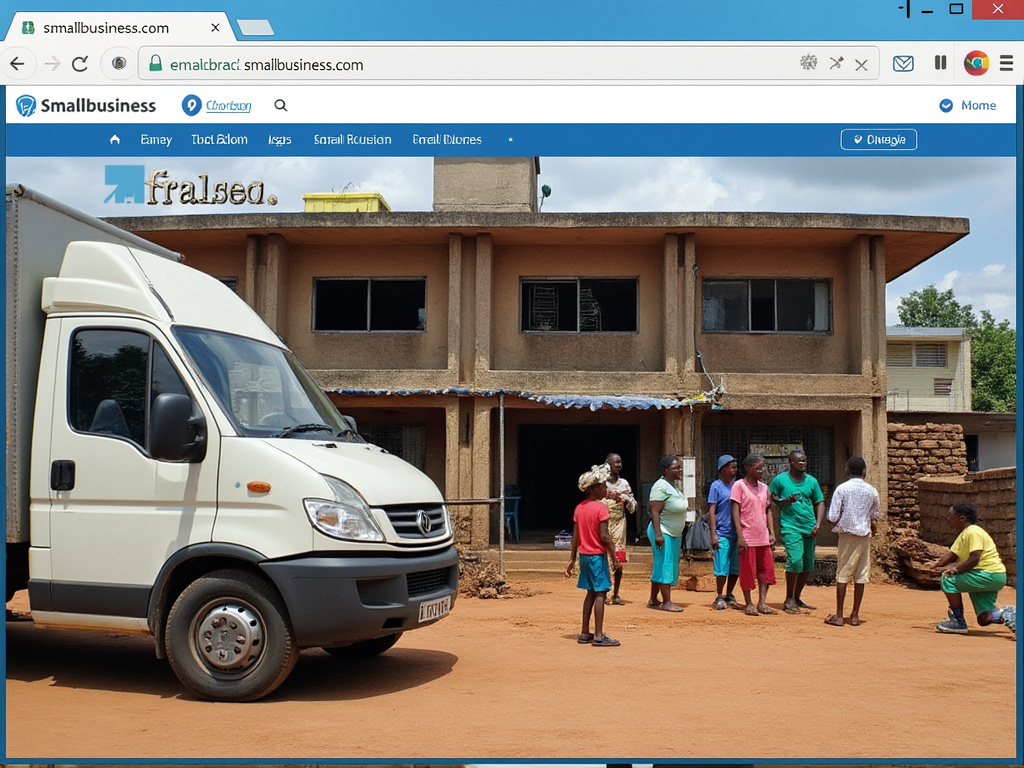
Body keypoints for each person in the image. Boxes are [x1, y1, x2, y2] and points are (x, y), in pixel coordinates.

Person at [931, 501, 1016, 638]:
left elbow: (975, 557)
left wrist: (956, 570)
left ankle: (957, 621)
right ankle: (1007, 615)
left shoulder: (973, 532)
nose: (947, 519)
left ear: (961, 518)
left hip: (988, 574)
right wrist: (934, 565)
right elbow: (952, 555)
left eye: (950, 515)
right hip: (988, 577)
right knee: (984, 619)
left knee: (948, 579)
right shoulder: (964, 535)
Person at [564, 462, 622, 646]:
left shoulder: (579, 508)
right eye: (603, 485)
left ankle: (584, 632)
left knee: (590, 592)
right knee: (600, 593)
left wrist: (572, 559)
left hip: (584, 556)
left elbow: (576, 536)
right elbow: (604, 536)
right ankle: (598, 635)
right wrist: (614, 556)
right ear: (594, 489)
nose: (606, 488)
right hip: (597, 556)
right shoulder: (601, 508)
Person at [822, 456, 880, 627]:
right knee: (861, 575)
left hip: (847, 536)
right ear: (864, 472)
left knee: (843, 574)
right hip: (864, 536)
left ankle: (839, 615)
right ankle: (855, 615)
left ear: (847, 470)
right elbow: (876, 514)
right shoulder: (871, 490)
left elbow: (832, 517)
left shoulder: (842, 489)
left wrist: (831, 515)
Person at [768, 449, 825, 614]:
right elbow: (772, 498)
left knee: (807, 565)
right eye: (799, 461)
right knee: (795, 560)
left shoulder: (812, 481)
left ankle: (797, 597)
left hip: (809, 526)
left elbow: (819, 502)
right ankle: (789, 598)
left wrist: (818, 524)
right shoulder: (780, 480)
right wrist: (784, 501)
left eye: (805, 461)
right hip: (791, 526)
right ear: (791, 462)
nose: (803, 463)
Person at [731, 454, 776, 616]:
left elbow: (768, 510)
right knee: (748, 571)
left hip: (763, 536)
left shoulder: (765, 488)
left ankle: (762, 602)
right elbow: (735, 512)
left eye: (762, 468)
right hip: (747, 536)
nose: (761, 471)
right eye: (758, 468)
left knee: (765, 571)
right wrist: (740, 536)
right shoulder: (739, 486)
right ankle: (749, 602)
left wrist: (772, 533)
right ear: (748, 469)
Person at [647, 454, 688, 612]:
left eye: (680, 467)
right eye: (676, 467)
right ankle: (666, 602)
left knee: (661, 564)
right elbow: (655, 512)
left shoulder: (673, 486)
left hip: (674, 532)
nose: (680, 470)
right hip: (663, 531)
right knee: (666, 565)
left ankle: (653, 599)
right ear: (666, 470)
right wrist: (658, 534)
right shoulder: (660, 486)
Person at [602, 452, 637, 605]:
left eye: (620, 462)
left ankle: (615, 594)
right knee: (602, 558)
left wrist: (626, 499)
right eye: (615, 462)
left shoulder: (624, 484)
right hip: (602, 524)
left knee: (618, 558)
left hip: (619, 524)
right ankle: (602, 593)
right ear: (607, 464)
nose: (618, 465)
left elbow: (633, 508)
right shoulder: (600, 483)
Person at [707, 454, 740, 610]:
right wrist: (713, 534)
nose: (734, 469)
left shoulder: (738, 486)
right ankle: (719, 596)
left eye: (735, 466)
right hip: (722, 532)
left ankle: (729, 594)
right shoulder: (716, 486)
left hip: (737, 533)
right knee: (721, 567)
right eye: (731, 466)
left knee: (735, 567)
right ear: (722, 469)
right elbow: (712, 510)